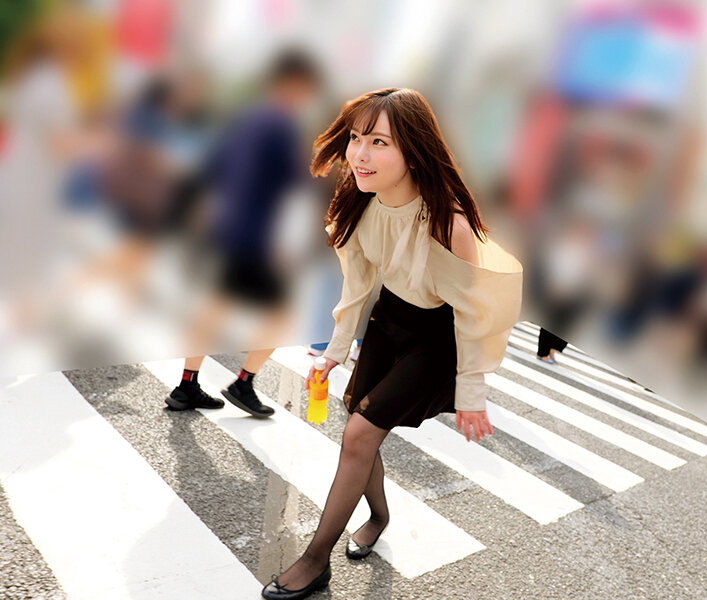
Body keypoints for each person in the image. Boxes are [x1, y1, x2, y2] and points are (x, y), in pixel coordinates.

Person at [262, 88, 523, 599]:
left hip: (436, 338)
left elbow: (473, 314)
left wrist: (471, 392)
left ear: (414, 150)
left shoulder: (448, 222)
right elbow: (358, 284)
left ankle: (315, 560)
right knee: (357, 426)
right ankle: (379, 517)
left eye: (379, 142)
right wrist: (335, 351)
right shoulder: (362, 203)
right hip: (389, 320)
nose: (360, 154)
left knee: (359, 434)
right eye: (356, 138)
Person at [165, 48, 322, 418]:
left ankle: (187, 384)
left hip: (231, 225)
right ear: (294, 83)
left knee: (217, 304)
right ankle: (243, 382)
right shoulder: (281, 124)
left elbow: (215, 164)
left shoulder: (247, 118)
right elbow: (295, 177)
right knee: (282, 315)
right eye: (306, 89)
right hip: (256, 233)